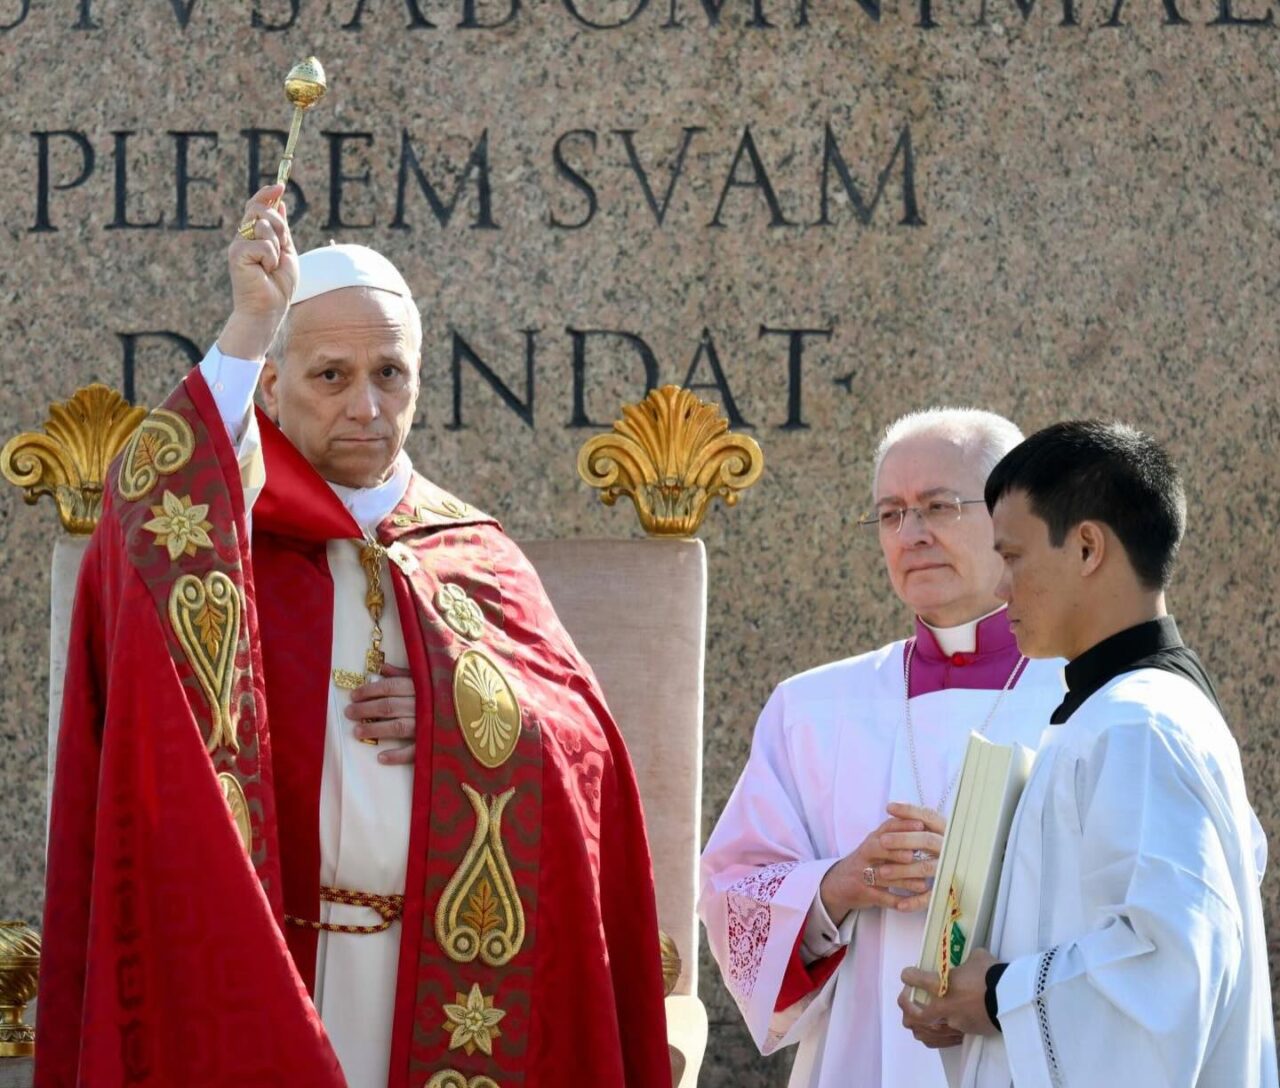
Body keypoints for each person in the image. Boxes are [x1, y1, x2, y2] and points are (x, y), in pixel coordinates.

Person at [36, 183, 670, 1088]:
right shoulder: (225, 542)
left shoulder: (473, 552)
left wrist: (465, 715)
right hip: (268, 979)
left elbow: (585, 751)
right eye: (329, 376)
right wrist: (248, 323)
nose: (366, 406)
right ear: (274, 384)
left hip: (443, 987)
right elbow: (142, 516)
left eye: (390, 375)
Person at [900, 420, 1277, 1088]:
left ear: (1086, 548)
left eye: (1012, 556)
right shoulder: (1131, 712)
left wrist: (998, 995)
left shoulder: (1139, 725)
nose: (1000, 589)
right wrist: (970, 1005)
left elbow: (1173, 966)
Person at [698, 407, 1066, 1087]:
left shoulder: (1099, 700)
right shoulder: (811, 708)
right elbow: (730, 893)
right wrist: (839, 884)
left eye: (939, 506)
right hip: (861, 1058)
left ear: (1016, 520)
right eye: (891, 514)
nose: (913, 534)